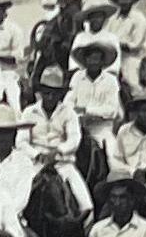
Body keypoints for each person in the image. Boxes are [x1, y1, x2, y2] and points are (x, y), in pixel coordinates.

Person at [22, 66, 95, 215]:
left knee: (86, 205)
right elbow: (21, 141)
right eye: (46, 92)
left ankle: (83, 230)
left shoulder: (69, 113)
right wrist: (37, 154)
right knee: (18, 201)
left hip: (62, 163)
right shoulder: (29, 112)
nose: (50, 97)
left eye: (54, 93)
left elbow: (74, 139)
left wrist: (58, 151)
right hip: (35, 163)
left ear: (61, 93)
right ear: (40, 91)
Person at [0, 104, 38, 220]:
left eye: (7, 133)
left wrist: (1, 217)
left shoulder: (23, 162)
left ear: (15, 134)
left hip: (11, 218)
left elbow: (21, 200)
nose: (3, 138)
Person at [68, 41, 123, 144]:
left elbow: (112, 109)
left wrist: (87, 111)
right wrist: (75, 115)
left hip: (101, 128)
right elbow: (68, 101)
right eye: (91, 59)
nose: (94, 62)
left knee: (111, 152)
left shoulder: (111, 80)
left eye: (97, 59)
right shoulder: (77, 77)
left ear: (102, 62)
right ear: (85, 60)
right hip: (77, 126)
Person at [69, 0, 123, 77]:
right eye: (93, 17)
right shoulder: (81, 37)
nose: (96, 20)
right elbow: (74, 62)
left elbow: (114, 65)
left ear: (104, 18)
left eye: (99, 17)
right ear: (88, 19)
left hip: (105, 78)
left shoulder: (111, 38)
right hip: (83, 78)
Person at [110, 0, 146, 90]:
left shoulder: (139, 19)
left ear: (132, 0)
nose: (124, 2)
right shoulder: (111, 19)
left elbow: (135, 45)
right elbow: (106, 36)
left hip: (131, 58)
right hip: (113, 58)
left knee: (132, 84)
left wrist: (116, 43)